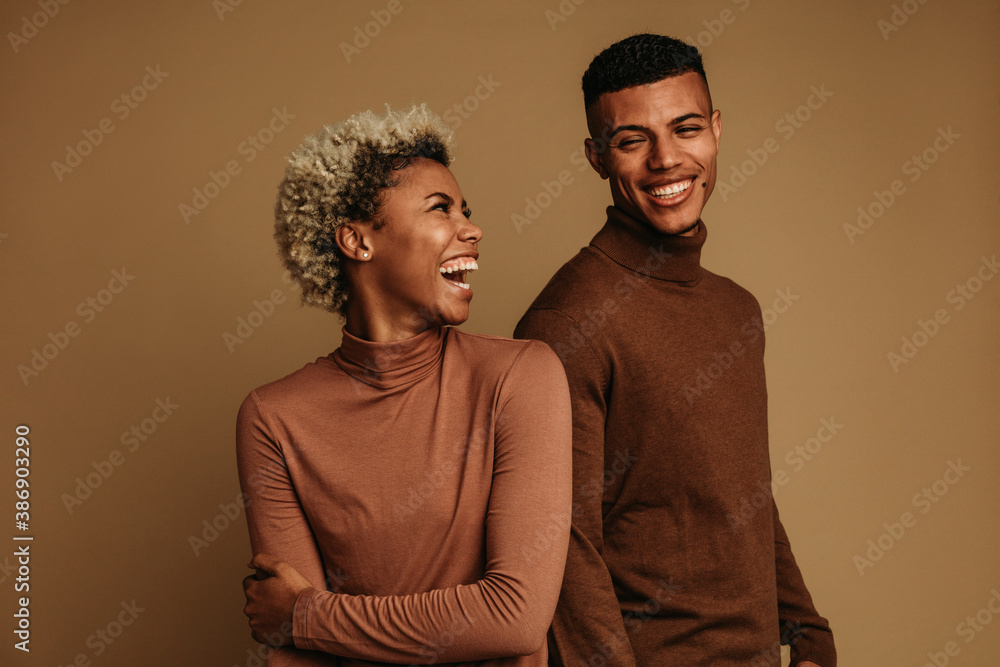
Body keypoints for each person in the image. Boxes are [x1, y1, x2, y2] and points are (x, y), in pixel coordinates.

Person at [514, 34, 836, 666]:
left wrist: (804, 625)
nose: (666, 159)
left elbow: (740, 491)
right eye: (633, 140)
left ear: (715, 130)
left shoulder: (735, 309)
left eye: (685, 128)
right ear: (596, 157)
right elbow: (564, 545)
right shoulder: (566, 322)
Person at [237, 105, 572, 666]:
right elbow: (295, 658)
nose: (472, 228)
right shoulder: (273, 417)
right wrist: (296, 625)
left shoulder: (521, 377)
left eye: (466, 210)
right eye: (441, 208)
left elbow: (515, 617)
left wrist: (307, 616)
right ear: (357, 241)